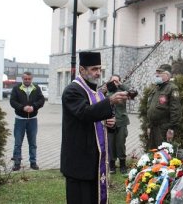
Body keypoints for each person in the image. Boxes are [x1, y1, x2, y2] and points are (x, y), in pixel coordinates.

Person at [61, 52, 128, 204]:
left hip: (94, 161)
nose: (98, 73)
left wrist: (110, 123)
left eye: (99, 69)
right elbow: (84, 113)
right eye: (93, 69)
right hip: (78, 161)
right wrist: (110, 101)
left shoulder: (95, 92)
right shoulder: (72, 91)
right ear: (82, 70)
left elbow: (99, 118)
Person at [10, 71, 45, 171]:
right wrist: (22, 107)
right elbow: (12, 101)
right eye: (25, 79)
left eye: (29, 79)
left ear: (32, 79)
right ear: (22, 79)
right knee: (18, 143)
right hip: (20, 120)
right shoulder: (16, 88)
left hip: (33, 120)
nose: (27, 80)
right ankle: (17, 163)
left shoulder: (36, 88)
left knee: (33, 143)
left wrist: (34, 107)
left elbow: (41, 100)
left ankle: (33, 163)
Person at [146, 64, 182, 149]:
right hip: (153, 127)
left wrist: (171, 129)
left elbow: (175, 110)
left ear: (167, 75)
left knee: (163, 154)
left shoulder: (172, 88)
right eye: (156, 73)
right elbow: (149, 108)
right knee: (152, 153)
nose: (156, 75)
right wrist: (148, 126)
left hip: (163, 129)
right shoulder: (156, 89)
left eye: (159, 73)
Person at [106, 74, 131, 174]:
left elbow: (131, 92)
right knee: (110, 144)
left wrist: (121, 85)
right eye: (113, 81)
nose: (115, 83)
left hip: (121, 122)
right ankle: (112, 166)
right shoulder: (107, 92)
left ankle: (122, 165)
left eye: (117, 81)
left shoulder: (122, 92)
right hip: (109, 122)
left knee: (120, 144)